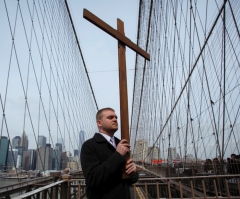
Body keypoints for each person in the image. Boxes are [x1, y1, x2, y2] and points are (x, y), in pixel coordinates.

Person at [80, 108, 138, 199]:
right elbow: (92, 178)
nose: (115, 119)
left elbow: (129, 180)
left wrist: (134, 173)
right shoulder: (89, 145)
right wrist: (118, 155)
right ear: (99, 123)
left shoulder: (122, 144)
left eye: (116, 117)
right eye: (110, 117)